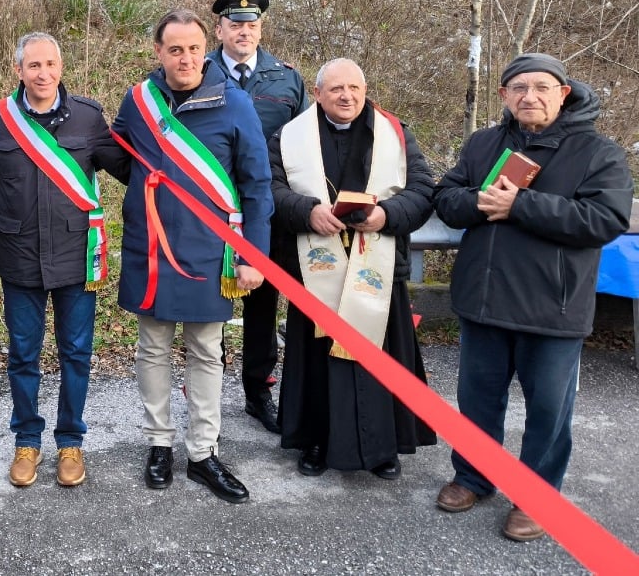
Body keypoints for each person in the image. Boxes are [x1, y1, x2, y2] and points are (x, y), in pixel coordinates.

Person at [433, 53, 632, 542]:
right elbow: (447, 200)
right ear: (504, 96)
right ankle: (473, 477)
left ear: (563, 93)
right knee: (478, 399)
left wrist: (521, 205)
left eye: (542, 87)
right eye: (519, 88)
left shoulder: (597, 152)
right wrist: (481, 200)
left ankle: (536, 497)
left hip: (553, 306)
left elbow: (605, 220)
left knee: (547, 409)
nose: (530, 97)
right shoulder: (484, 144)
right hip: (482, 299)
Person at [112, 9, 273, 503]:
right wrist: (150, 193)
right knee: (153, 348)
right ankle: (159, 443)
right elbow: (122, 155)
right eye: (174, 49)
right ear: (158, 52)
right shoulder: (139, 102)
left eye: (193, 48)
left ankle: (203, 452)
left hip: (211, 253)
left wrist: (255, 256)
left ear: (207, 49)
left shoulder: (235, 103)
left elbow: (257, 183)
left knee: (206, 351)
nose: (185, 58)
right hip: (152, 247)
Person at [0, 33, 129, 488]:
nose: (43, 74)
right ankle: (27, 442)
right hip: (20, 260)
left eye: (51, 64)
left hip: (75, 258)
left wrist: (163, 161)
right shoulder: (0, 121)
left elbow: (125, 167)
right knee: (23, 355)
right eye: (34, 66)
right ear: (19, 71)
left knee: (75, 354)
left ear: (61, 66)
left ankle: (70, 441)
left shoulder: (89, 117)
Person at [269, 58, 436, 481]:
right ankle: (316, 441)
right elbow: (269, 189)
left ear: (364, 90)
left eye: (354, 89)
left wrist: (388, 215)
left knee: (381, 360)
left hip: (376, 266)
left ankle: (384, 447)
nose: (347, 97)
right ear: (318, 91)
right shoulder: (289, 137)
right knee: (317, 360)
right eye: (337, 89)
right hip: (317, 264)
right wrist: (307, 211)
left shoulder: (395, 134)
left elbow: (422, 190)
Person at [206, 0, 308, 434]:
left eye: (251, 24)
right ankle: (205, 386)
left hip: (265, 208)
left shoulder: (287, 79)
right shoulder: (198, 71)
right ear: (219, 28)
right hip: (208, 209)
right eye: (235, 23)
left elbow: (306, 144)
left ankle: (257, 389)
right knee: (208, 301)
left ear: (261, 29)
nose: (243, 31)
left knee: (263, 300)